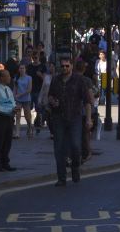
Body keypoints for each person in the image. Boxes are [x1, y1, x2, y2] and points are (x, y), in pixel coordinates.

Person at [45, 55, 94, 186]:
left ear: (71, 66)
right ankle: (61, 178)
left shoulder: (79, 80)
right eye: (62, 66)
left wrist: (89, 119)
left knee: (76, 146)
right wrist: (52, 101)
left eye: (67, 66)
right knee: (59, 148)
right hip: (58, 117)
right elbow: (50, 96)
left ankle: (75, 167)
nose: (65, 68)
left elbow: (88, 101)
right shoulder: (56, 80)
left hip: (75, 117)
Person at [0, 69, 17, 172]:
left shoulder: (8, 89)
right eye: (7, 76)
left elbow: (12, 102)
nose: (9, 78)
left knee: (7, 142)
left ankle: (5, 162)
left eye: (9, 75)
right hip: (0, 118)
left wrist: (15, 108)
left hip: (9, 118)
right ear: (1, 78)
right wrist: (9, 110)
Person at [13, 63, 34, 139]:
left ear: (25, 69)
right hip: (18, 100)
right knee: (18, 116)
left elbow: (29, 89)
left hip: (26, 99)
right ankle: (17, 133)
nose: (21, 70)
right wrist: (14, 96)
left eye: (23, 68)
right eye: (20, 68)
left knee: (27, 116)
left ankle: (30, 127)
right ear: (18, 70)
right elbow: (15, 89)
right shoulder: (16, 78)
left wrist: (20, 95)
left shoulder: (29, 78)